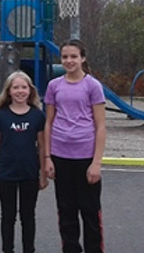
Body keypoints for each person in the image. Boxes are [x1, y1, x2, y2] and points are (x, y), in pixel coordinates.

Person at [43, 39, 107, 253]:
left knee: (90, 212)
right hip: (60, 157)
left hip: (86, 157)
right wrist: (47, 157)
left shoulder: (92, 86)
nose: (69, 61)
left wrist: (96, 163)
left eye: (73, 56)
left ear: (82, 58)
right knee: (66, 211)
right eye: (65, 57)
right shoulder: (54, 85)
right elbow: (48, 123)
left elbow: (100, 126)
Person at [0, 70, 48, 253]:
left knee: (28, 216)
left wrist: (43, 174)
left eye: (24, 87)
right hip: (6, 173)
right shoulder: (0, 115)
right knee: (8, 216)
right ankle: (8, 249)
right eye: (16, 87)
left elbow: (42, 147)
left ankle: (29, 249)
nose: (20, 91)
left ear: (30, 90)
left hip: (29, 173)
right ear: (9, 91)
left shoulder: (37, 115)